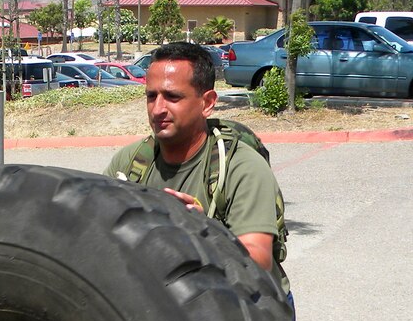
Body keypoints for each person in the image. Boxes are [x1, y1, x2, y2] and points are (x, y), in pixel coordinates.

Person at [104, 41, 290, 303]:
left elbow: (258, 260)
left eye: (173, 97)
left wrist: (205, 233)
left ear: (207, 103)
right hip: (170, 302)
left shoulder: (240, 165)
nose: (158, 109)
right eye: (151, 96)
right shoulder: (130, 163)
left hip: (252, 307)